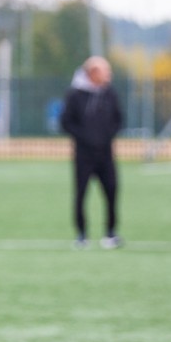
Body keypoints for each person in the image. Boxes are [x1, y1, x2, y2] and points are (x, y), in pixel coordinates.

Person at [60, 56, 124, 249]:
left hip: (105, 154)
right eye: (105, 71)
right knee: (81, 193)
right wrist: (85, 138)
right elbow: (66, 122)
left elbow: (118, 119)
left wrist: (106, 136)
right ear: (93, 73)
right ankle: (81, 234)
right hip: (83, 155)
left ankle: (110, 233)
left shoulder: (109, 94)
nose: (109, 75)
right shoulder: (75, 95)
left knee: (112, 191)